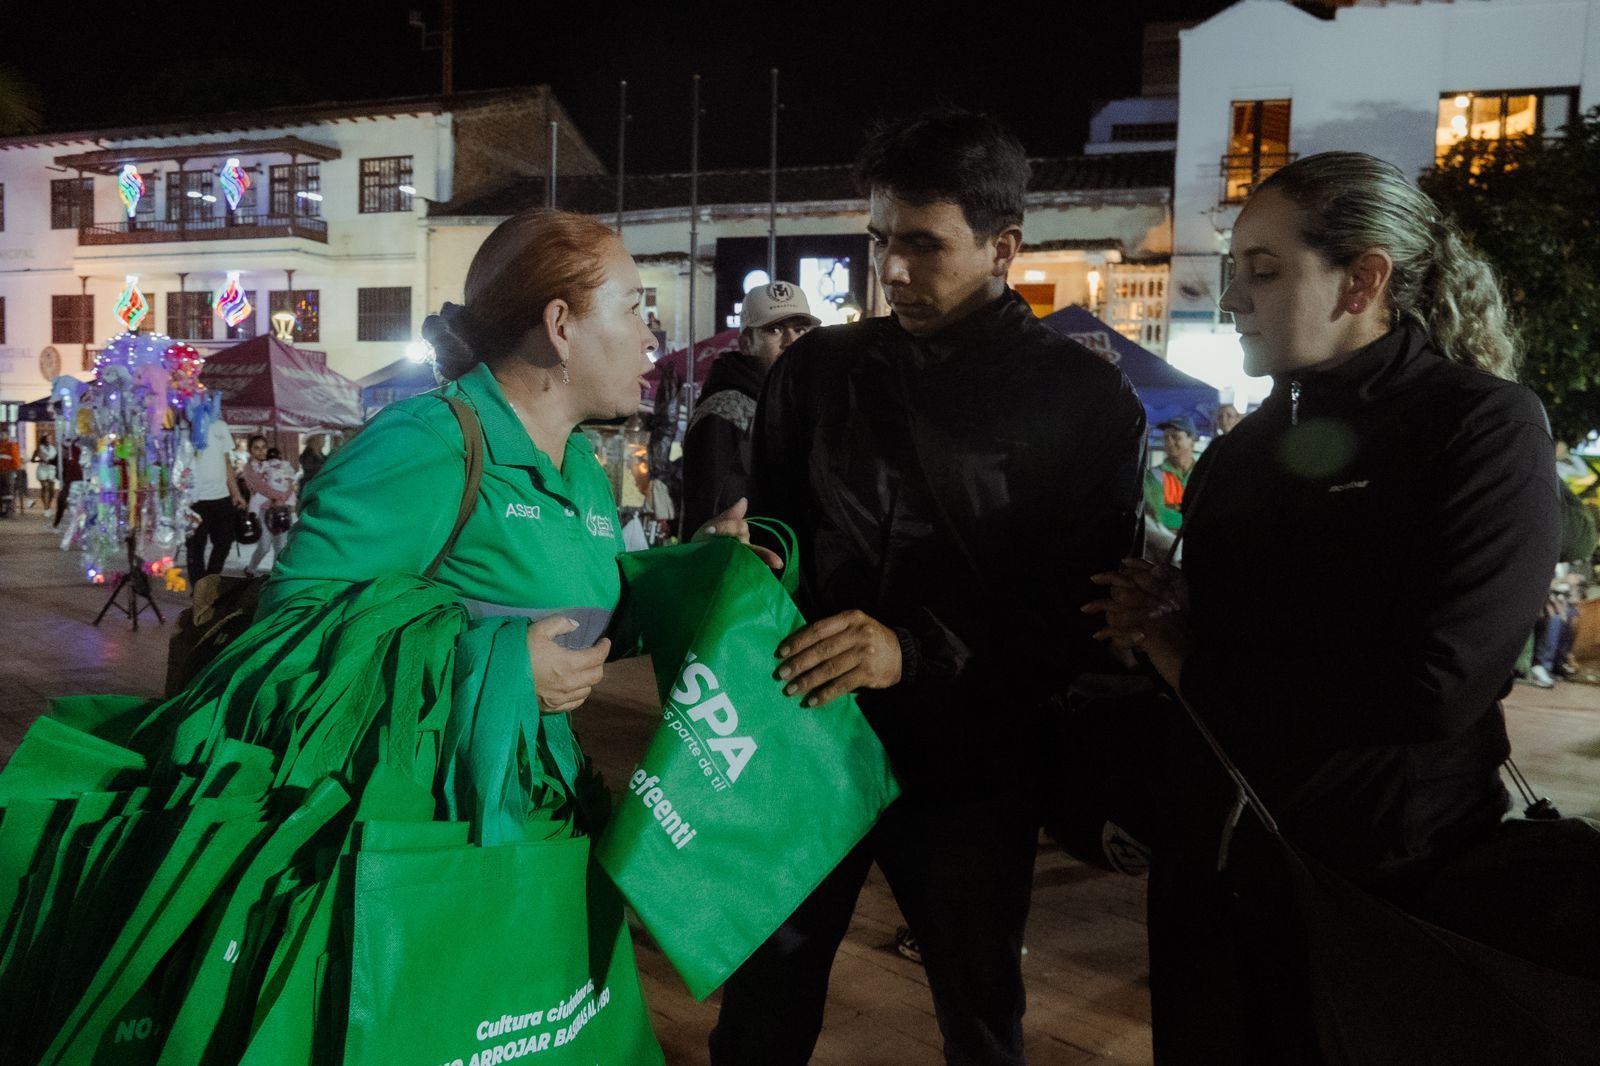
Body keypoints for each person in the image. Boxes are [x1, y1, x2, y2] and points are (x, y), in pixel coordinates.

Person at [1086, 151, 1562, 1062]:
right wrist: (1151, 619)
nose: (1233, 299)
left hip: (1378, 889)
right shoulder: (1244, 448)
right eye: (1235, 271)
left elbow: (1439, 686)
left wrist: (1189, 655)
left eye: (1264, 271)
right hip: (1208, 884)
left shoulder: (1482, 426)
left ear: (1364, 279)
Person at [708, 107, 1147, 1066]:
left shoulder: (1082, 400)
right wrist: (750, 561)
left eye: (922, 245)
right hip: (810, 730)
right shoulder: (820, 371)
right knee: (764, 1000)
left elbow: (1080, 607)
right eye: (878, 242)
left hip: (971, 759)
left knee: (978, 1007)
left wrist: (910, 649)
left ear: (1005, 247)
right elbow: (780, 527)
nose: (891, 270)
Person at [680, 281, 819, 537]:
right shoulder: (724, 412)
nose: (791, 341)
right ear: (746, 343)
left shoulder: (786, 404)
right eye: (775, 329)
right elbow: (714, 520)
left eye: (800, 330)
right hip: (748, 568)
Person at [186, 416, 247, 580]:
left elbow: (226, 461)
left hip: (222, 498)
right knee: (195, 547)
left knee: (224, 543)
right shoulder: (186, 425)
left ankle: (210, 582)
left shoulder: (220, 426)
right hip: (194, 501)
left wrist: (236, 493)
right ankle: (198, 589)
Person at [241, 439, 297, 577]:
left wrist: (287, 492)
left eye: (263, 447)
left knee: (281, 545)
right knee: (264, 546)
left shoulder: (279, 466)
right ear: (250, 450)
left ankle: (275, 574)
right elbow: (261, 487)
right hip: (263, 510)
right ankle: (251, 568)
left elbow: (289, 481)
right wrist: (281, 496)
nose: (261, 451)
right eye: (256, 448)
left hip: (282, 510)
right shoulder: (249, 468)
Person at [1144, 415, 1197, 534]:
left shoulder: (1204, 473)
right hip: (1167, 539)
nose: (1169, 442)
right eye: (1166, 437)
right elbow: (1158, 513)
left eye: (1175, 437)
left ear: (1192, 441)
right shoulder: (1154, 475)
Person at [32, 432, 58, 512]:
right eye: (48, 439)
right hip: (42, 468)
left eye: (50, 439)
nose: (49, 440)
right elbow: (33, 460)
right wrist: (40, 460)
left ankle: (49, 505)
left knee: (52, 489)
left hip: (51, 469)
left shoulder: (53, 448)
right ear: (44, 440)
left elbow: (56, 459)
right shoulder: (40, 448)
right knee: (45, 487)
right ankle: (45, 507)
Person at [0, 426, 21, 517]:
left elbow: (16, 458)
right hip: (2, 471)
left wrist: (15, 470)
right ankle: (2, 510)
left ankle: (9, 510)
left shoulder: (11, 445)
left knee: (8, 491)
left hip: (8, 471)